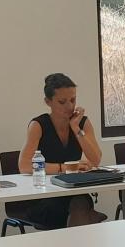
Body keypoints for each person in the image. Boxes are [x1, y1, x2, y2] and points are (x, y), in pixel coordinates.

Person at [17, 73, 105, 228]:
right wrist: (65, 168)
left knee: (80, 202)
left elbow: (96, 159)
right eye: (62, 102)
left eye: (73, 100)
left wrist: (76, 128)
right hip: (44, 195)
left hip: (72, 190)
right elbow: (24, 165)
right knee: (71, 209)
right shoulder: (38, 125)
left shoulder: (82, 123)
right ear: (48, 102)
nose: (69, 106)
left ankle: (75, 242)